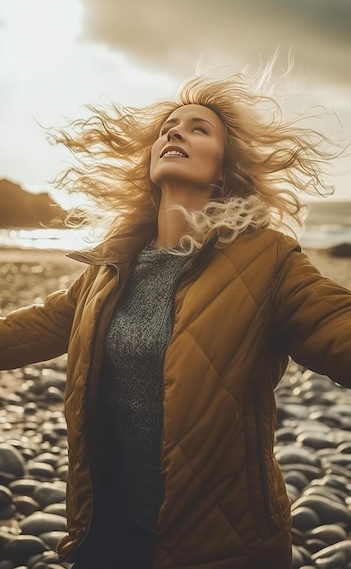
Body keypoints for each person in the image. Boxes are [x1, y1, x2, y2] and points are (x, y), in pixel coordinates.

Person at [1, 65, 351, 569]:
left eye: (197, 127)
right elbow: (30, 328)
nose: (174, 131)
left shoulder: (268, 260)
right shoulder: (110, 268)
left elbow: (334, 326)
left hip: (219, 548)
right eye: (168, 126)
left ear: (225, 169)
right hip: (104, 532)